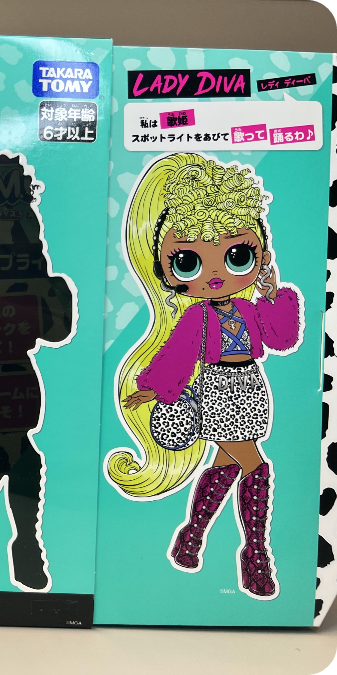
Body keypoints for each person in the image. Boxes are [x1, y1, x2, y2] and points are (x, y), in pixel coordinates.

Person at [107, 152, 302, 599]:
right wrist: (153, 388)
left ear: (259, 253)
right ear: (165, 269)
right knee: (253, 464)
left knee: (226, 464)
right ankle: (256, 553)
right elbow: (178, 354)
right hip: (218, 390)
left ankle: (190, 538)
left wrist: (273, 295)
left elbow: (281, 338)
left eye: (236, 254)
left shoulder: (249, 308)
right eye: (188, 261)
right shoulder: (197, 316)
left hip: (251, 386)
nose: (215, 273)